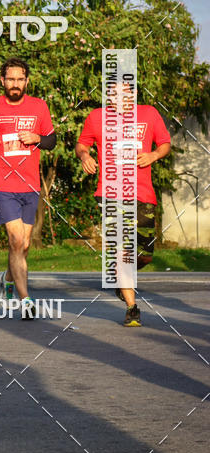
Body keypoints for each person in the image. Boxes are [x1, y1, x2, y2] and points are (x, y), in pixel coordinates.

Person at [76, 85, 171, 326]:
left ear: (134, 94)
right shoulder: (97, 117)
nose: (120, 98)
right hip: (110, 192)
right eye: (114, 93)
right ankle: (132, 306)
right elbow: (82, 144)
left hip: (143, 194)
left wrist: (152, 156)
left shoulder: (149, 114)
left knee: (145, 255)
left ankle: (122, 278)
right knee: (122, 249)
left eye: (125, 92)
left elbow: (164, 144)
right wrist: (85, 156)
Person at [0, 58, 56, 318]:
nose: (15, 84)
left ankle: (8, 278)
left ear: (27, 81)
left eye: (20, 79)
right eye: (10, 80)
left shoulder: (39, 107)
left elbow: (51, 141)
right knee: (17, 240)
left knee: (24, 245)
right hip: (2, 183)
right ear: (3, 81)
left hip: (29, 185)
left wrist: (37, 138)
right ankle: (26, 300)